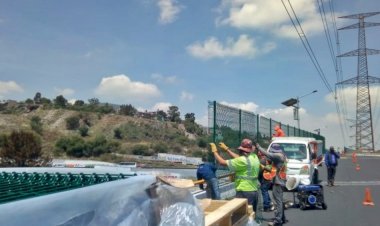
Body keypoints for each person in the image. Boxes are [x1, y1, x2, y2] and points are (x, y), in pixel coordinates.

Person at [209, 139, 260, 212]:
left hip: (244, 191)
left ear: (242, 150)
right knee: (251, 214)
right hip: (254, 191)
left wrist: (214, 151)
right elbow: (239, 158)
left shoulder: (242, 161)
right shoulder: (254, 157)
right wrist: (227, 149)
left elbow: (222, 162)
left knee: (241, 215)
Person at [257, 143, 288, 226]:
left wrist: (258, 147)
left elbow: (267, 154)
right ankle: (282, 218)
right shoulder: (283, 156)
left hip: (278, 182)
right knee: (280, 201)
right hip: (281, 181)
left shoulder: (278, 156)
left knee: (278, 202)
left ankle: (278, 221)